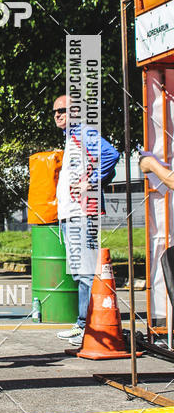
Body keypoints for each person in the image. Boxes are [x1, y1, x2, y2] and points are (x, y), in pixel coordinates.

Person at [53, 95, 120, 345]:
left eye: (63, 110)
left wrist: (92, 183)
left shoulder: (83, 133)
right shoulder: (72, 139)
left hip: (81, 214)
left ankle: (85, 325)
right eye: (55, 111)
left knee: (84, 272)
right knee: (79, 271)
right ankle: (84, 324)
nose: (58, 115)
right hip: (71, 215)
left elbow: (112, 155)